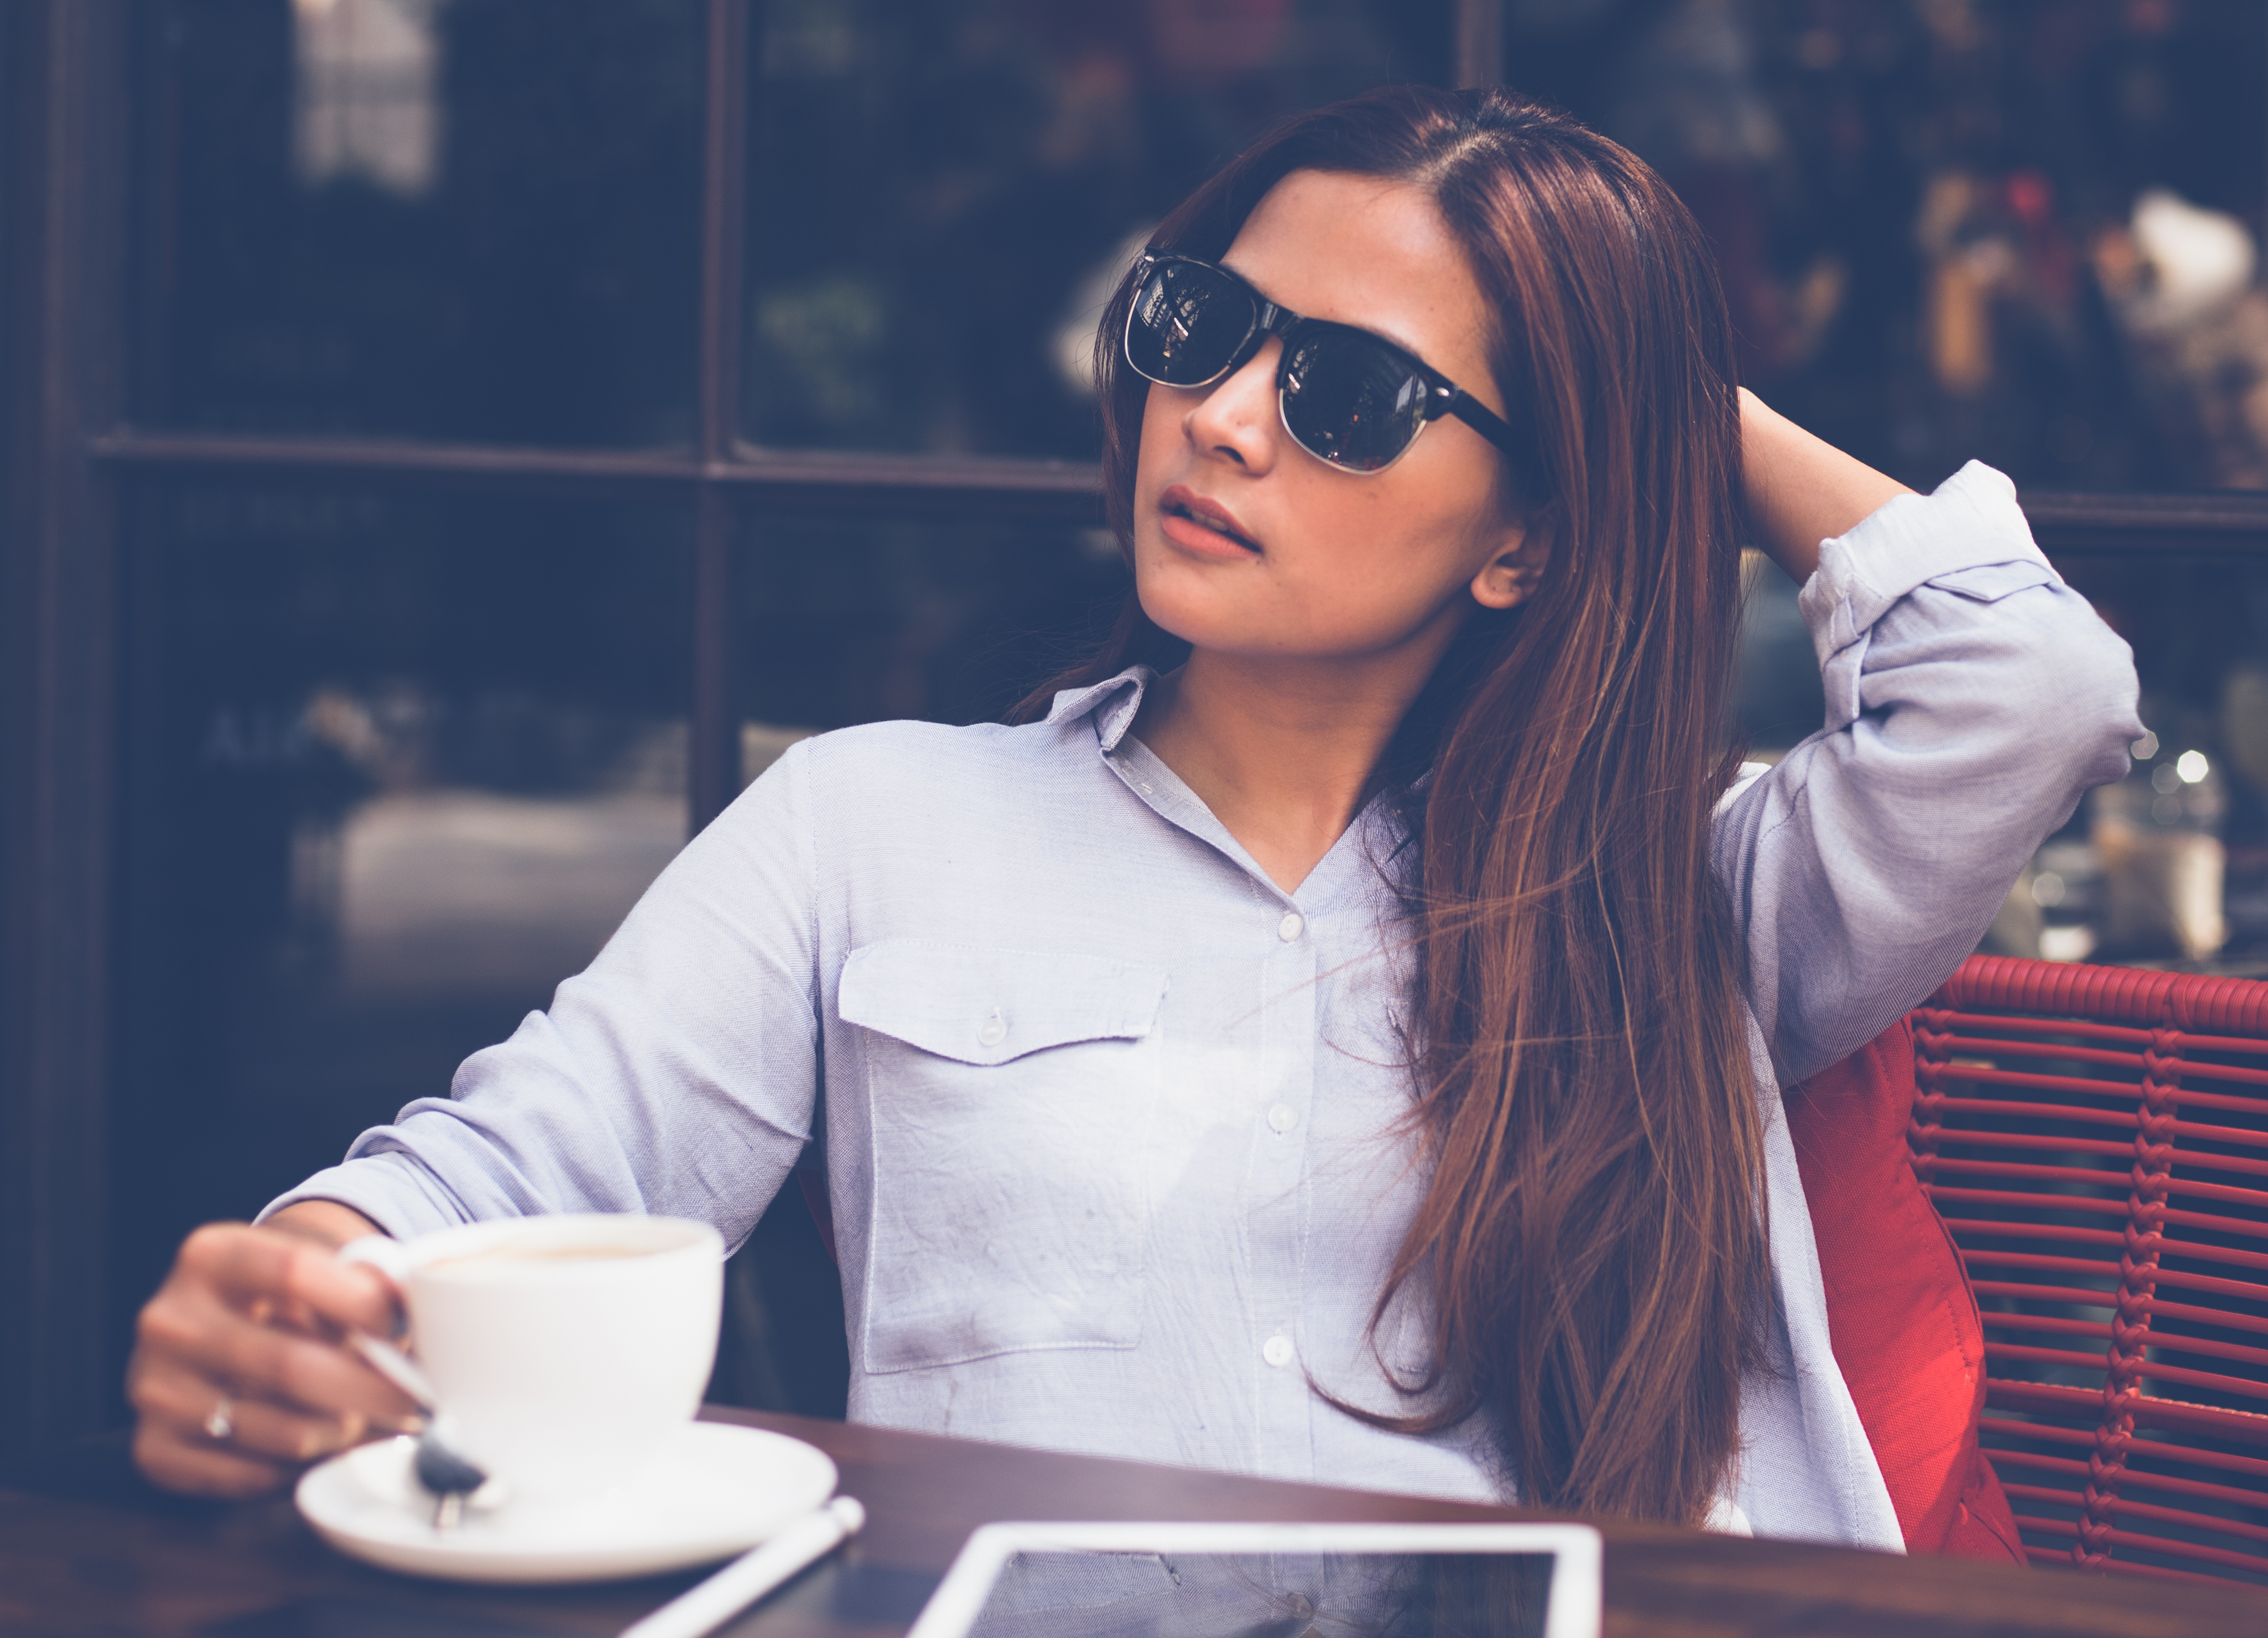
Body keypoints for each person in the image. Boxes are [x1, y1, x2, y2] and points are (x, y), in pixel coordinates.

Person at [128, 86, 2142, 1544]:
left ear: (1525, 536)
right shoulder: (866, 823)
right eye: (1204, 327)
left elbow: (2031, 687)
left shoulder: (1676, 913)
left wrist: (1661, 403)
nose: (1230, 414)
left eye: (1351, 394)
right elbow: (517, 1160)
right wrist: (309, 1279)